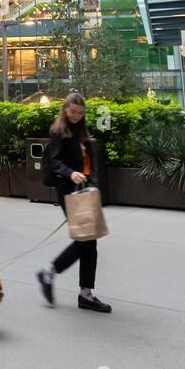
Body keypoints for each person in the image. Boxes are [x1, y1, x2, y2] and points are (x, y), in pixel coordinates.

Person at [37, 92, 112, 313]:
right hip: (69, 189)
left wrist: (92, 182)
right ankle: (53, 273)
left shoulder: (81, 131)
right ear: (65, 110)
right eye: (72, 112)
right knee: (85, 240)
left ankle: (83, 292)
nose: (76, 116)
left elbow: (89, 162)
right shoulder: (59, 131)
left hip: (84, 189)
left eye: (80, 113)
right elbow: (55, 161)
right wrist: (71, 174)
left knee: (90, 240)